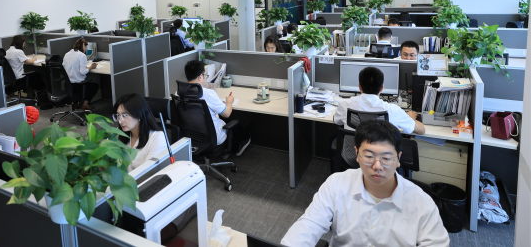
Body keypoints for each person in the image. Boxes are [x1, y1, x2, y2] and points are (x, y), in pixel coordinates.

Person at [281, 120, 449, 247]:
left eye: (386, 158)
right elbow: (309, 225)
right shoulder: (336, 184)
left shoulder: (422, 203)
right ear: (357, 154)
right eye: (369, 156)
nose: (377, 166)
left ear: (398, 158)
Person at [334, 66, 425, 167]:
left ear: (359, 86)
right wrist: (410, 118)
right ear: (382, 88)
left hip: (353, 158)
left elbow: (337, 121)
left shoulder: (345, 104)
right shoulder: (393, 110)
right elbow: (421, 130)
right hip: (381, 164)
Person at [185, 60, 251, 156]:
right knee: (232, 122)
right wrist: (229, 102)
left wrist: (217, 102)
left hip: (192, 136)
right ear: (200, 77)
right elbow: (227, 113)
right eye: (205, 75)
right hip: (211, 137)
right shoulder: (208, 93)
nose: (205, 78)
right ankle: (239, 144)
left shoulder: (180, 92)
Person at [113, 93, 167, 171]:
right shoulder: (118, 133)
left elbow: (149, 172)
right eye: (118, 116)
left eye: (125, 115)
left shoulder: (157, 138)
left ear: (138, 115)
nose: (120, 121)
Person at [5, 35, 49, 107]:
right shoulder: (18, 52)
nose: (24, 45)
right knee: (37, 75)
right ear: (21, 43)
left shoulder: (7, 51)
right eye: (24, 43)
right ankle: (39, 94)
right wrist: (34, 59)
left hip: (11, 79)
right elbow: (29, 62)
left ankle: (33, 94)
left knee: (33, 75)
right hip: (19, 78)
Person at [63, 38, 100, 111]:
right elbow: (83, 72)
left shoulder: (67, 54)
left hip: (68, 85)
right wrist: (91, 67)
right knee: (95, 86)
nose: (86, 49)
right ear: (83, 46)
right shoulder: (82, 55)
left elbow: (65, 67)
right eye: (86, 47)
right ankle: (85, 104)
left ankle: (76, 103)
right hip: (78, 85)